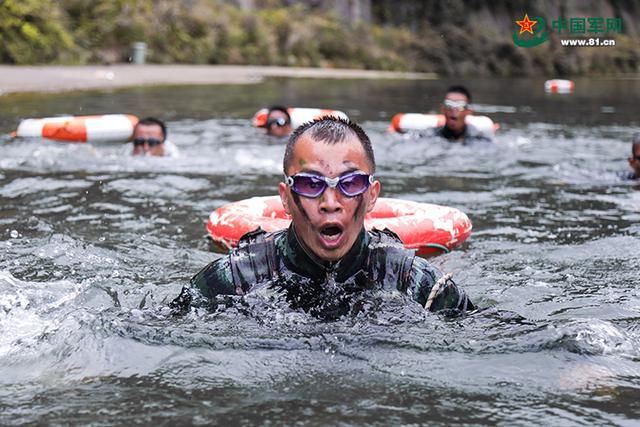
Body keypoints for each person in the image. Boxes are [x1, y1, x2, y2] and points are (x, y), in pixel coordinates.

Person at [172, 116, 475, 319]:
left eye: (351, 183)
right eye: (310, 184)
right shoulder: (234, 280)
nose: (331, 202)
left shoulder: (415, 283)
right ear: (286, 198)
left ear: (371, 195)